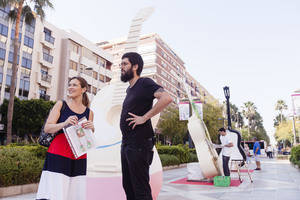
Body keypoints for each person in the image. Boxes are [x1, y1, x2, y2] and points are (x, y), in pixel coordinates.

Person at [119, 52, 172, 200]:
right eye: (121, 64)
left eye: (125, 64)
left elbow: (167, 98)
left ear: (135, 66)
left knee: (140, 189)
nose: (121, 67)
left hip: (139, 143)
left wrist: (145, 117)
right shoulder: (129, 89)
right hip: (127, 143)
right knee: (128, 186)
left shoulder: (144, 83)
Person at [36, 76, 94, 200]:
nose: (70, 87)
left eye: (74, 85)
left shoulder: (89, 112)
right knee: (54, 192)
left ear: (83, 89)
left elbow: (86, 137)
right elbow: (47, 128)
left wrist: (91, 128)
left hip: (78, 155)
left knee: (75, 192)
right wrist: (64, 123)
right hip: (58, 152)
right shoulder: (61, 104)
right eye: (70, 84)